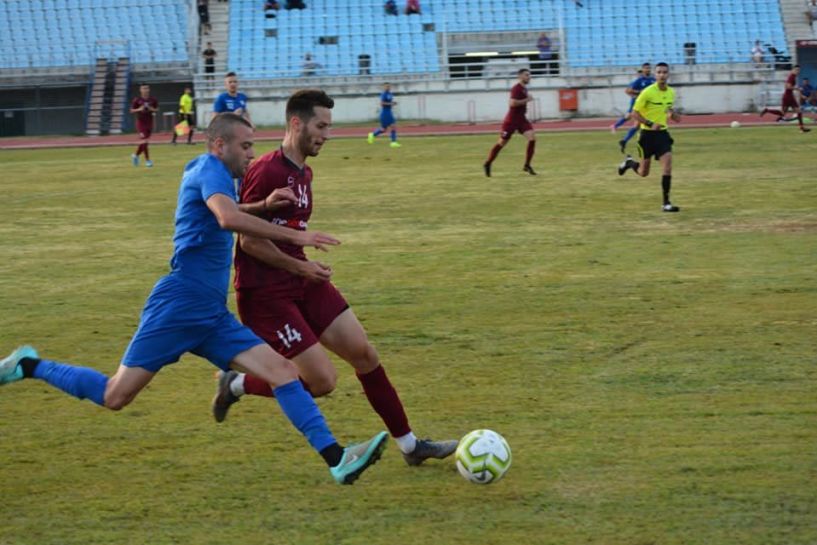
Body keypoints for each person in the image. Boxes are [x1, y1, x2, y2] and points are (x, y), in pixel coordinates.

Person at [0, 113, 388, 485]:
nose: (252, 154)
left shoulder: (216, 174)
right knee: (115, 395)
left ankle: (337, 459)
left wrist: (264, 206)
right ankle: (29, 365)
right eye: (246, 146)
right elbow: (227, 218)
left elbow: (230, 209)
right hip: (180, 303)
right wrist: (296, 236)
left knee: (284, 373)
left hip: (210, 314)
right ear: (220, 145)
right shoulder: (209, 169)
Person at [211, 89, 458, 467]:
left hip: (302, 279)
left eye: (329, 126)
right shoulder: (266, 170)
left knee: (364, 354)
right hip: (267, 293)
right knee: (322, 383)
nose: (327, 134)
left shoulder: (303, 171)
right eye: (321, 126)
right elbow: (249, 242)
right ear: (296, 123)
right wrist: (300, 266)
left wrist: (304, 268)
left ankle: (410, 446)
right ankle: (238, 383)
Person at [616, 62, 682, 213]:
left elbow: (669, 111)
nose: (662, 75)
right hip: (647, 135)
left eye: (664, 72)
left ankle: (666, 203)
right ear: (655, 74)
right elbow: (634, 113)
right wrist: (649, 123)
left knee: (668, 167)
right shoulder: (647, 92)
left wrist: (674, 115)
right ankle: (629, 163)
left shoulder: (671, 92)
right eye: (659, 72)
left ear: (668, 74)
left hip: (663, 135)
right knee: (644, 172)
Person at [483, 68, 537, 177]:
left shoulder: (524, 89)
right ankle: (487, 163)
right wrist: (527, 100)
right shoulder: (516, 89)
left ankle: (527, 165)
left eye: (529, 75)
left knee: (532, 138)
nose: (529, 77)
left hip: (521, 119)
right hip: (511, 121)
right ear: (520, 76)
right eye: (526, 75)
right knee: (501, 143)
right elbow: (512, 104)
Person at [610, 63, 655, 153]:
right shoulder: (639, 80)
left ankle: (624, 140)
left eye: (649, 68)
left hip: (650, 106)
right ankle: (621, 134)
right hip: (639, 106)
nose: (648, 70)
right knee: (635, 122)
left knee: (637, 124)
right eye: (646, 68)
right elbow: (628, 90)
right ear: (642, 70)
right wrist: (638, 93)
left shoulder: (653, 80)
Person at [760, 65, 811, 133]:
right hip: (787, 97)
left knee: (798, 112)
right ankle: (767, 110)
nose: (797, 71)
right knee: (783, 113)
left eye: (798, 70)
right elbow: (788, 87)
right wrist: (797, 89)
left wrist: (801, 95)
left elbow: (792, 87)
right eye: (796, 70)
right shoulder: (791, 76)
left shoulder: (793, 77)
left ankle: (802, 128)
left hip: (790, 96)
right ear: (793, 70)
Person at [129, 83, 158, 168]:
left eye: (147, 88)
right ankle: (148, 160)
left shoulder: (153, 99)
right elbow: (131, 110)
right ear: (140, 90)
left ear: (149, 89)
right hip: (141, 123)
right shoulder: (137, 100)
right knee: (144, 141)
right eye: (143, 88)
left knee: (146, 142)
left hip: (149, 122)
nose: (145, 90)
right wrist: (139, 109)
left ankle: (135, 155)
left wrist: (151, 109)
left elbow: (156, 109)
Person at [366, 82, 400, 148]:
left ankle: (372, 135)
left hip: (389, 112)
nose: (388, 87)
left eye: (389, 86)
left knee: (384, 129)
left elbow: (389, 102)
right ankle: (393, 142)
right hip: (385, 113)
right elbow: (382, 103)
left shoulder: (390, 94)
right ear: (384, 87)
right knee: (392, 126)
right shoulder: (383, 94)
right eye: (386, 86)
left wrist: (393, 103)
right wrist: (390, 104)